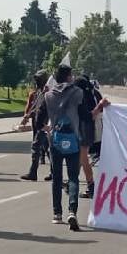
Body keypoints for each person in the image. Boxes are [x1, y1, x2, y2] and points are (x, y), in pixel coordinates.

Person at [44, 64, 84, 230]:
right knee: (73, 177)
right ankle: (72, 211)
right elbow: (84, 115)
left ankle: (56, 213)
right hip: (73, 139)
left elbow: (40, 117)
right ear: (68, 77)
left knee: (57, 177)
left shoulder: (48, 95)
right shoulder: (77, 93)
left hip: (55, 139)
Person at [74, 74, 104, 198]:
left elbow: (85, 114)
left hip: (83, 129)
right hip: (95, 130)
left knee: (82, 158)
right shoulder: (94, 93)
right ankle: (76, 182)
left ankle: (90, 186)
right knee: (81, 158)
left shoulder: (81, 96)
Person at [19, 71, 51, 181]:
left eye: (39, 80)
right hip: (37, 123)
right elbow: (34, 108)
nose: (37, 82)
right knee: (46, 148)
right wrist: (27, 116)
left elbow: (44, 109)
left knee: (37, 146)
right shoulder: (38, 93)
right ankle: (54, 172)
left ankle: (33, 173)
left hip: (44, 123)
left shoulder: (48, 93)